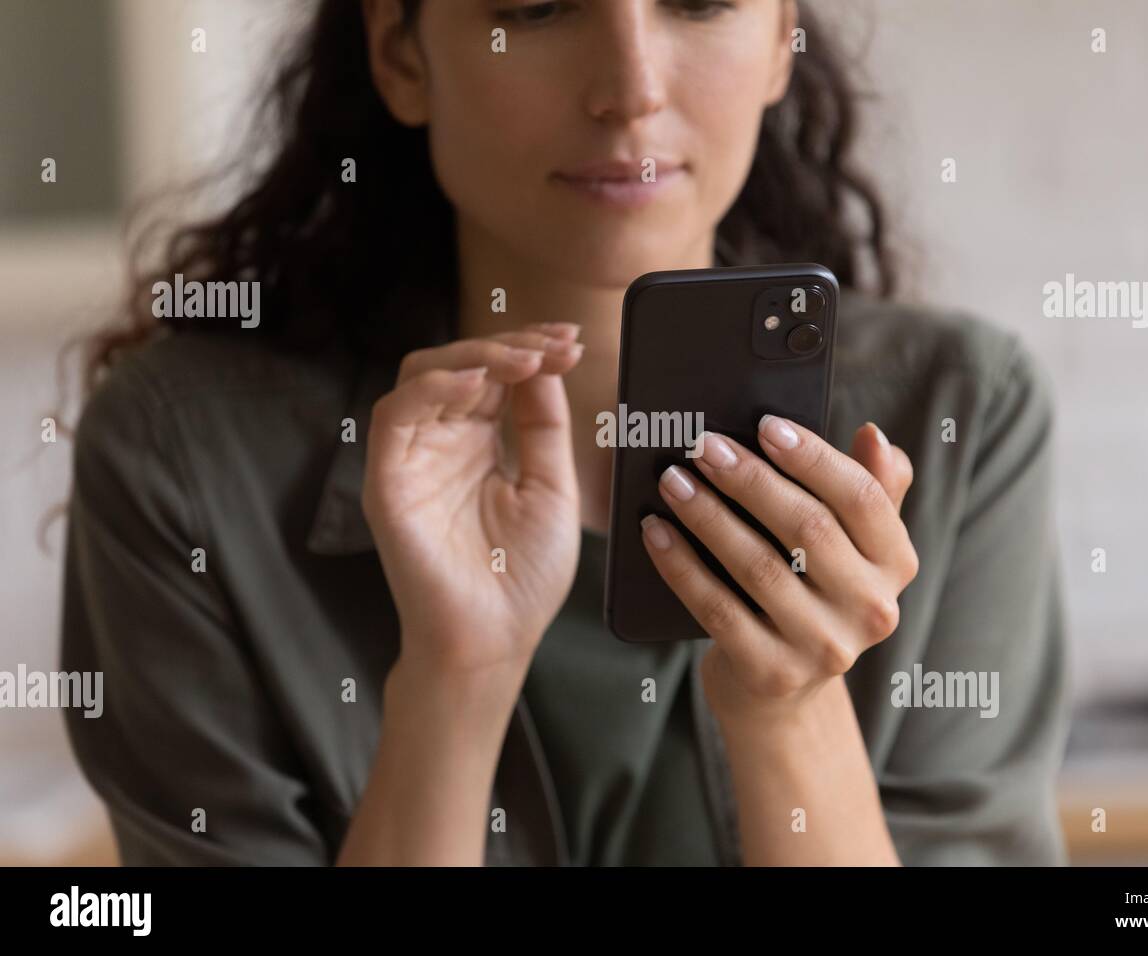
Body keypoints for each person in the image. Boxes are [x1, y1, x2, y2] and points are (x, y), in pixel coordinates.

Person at [60, 0, 1070, 866]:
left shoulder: (960, 416)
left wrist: (788, 708)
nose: (629, 88)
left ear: (780, 38)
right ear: (402, 52)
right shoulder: (180, 458)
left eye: (699, 1)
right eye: (536, 8)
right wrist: (453, 680)